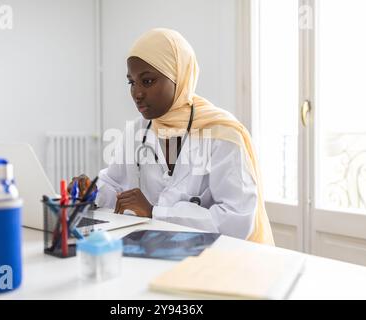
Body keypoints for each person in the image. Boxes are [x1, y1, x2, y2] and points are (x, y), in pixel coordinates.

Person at [70, 28, 274, 245]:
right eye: (132, 82)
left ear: (179, 76)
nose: (137, 93)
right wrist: (91, 191)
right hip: (150, 252)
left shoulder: (222, 134)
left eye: (147, 81)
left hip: (210, 260)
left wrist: (154, 212)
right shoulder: (138, 131)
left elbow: (237, 219)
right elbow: (114, 186)